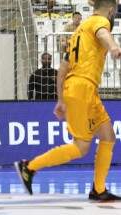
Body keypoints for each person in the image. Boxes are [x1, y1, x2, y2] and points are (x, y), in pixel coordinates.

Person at [15, 0, 121, 201]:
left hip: (81, 88)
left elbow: (63, 68)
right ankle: (28, 167)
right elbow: (104, 34)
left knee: (108, 135)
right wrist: (114, 47)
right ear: (111, 9)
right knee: (81, 147)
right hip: (83, 88)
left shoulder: (79, 31)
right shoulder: (100, 21)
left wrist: (61, 99)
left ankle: (99, 189)